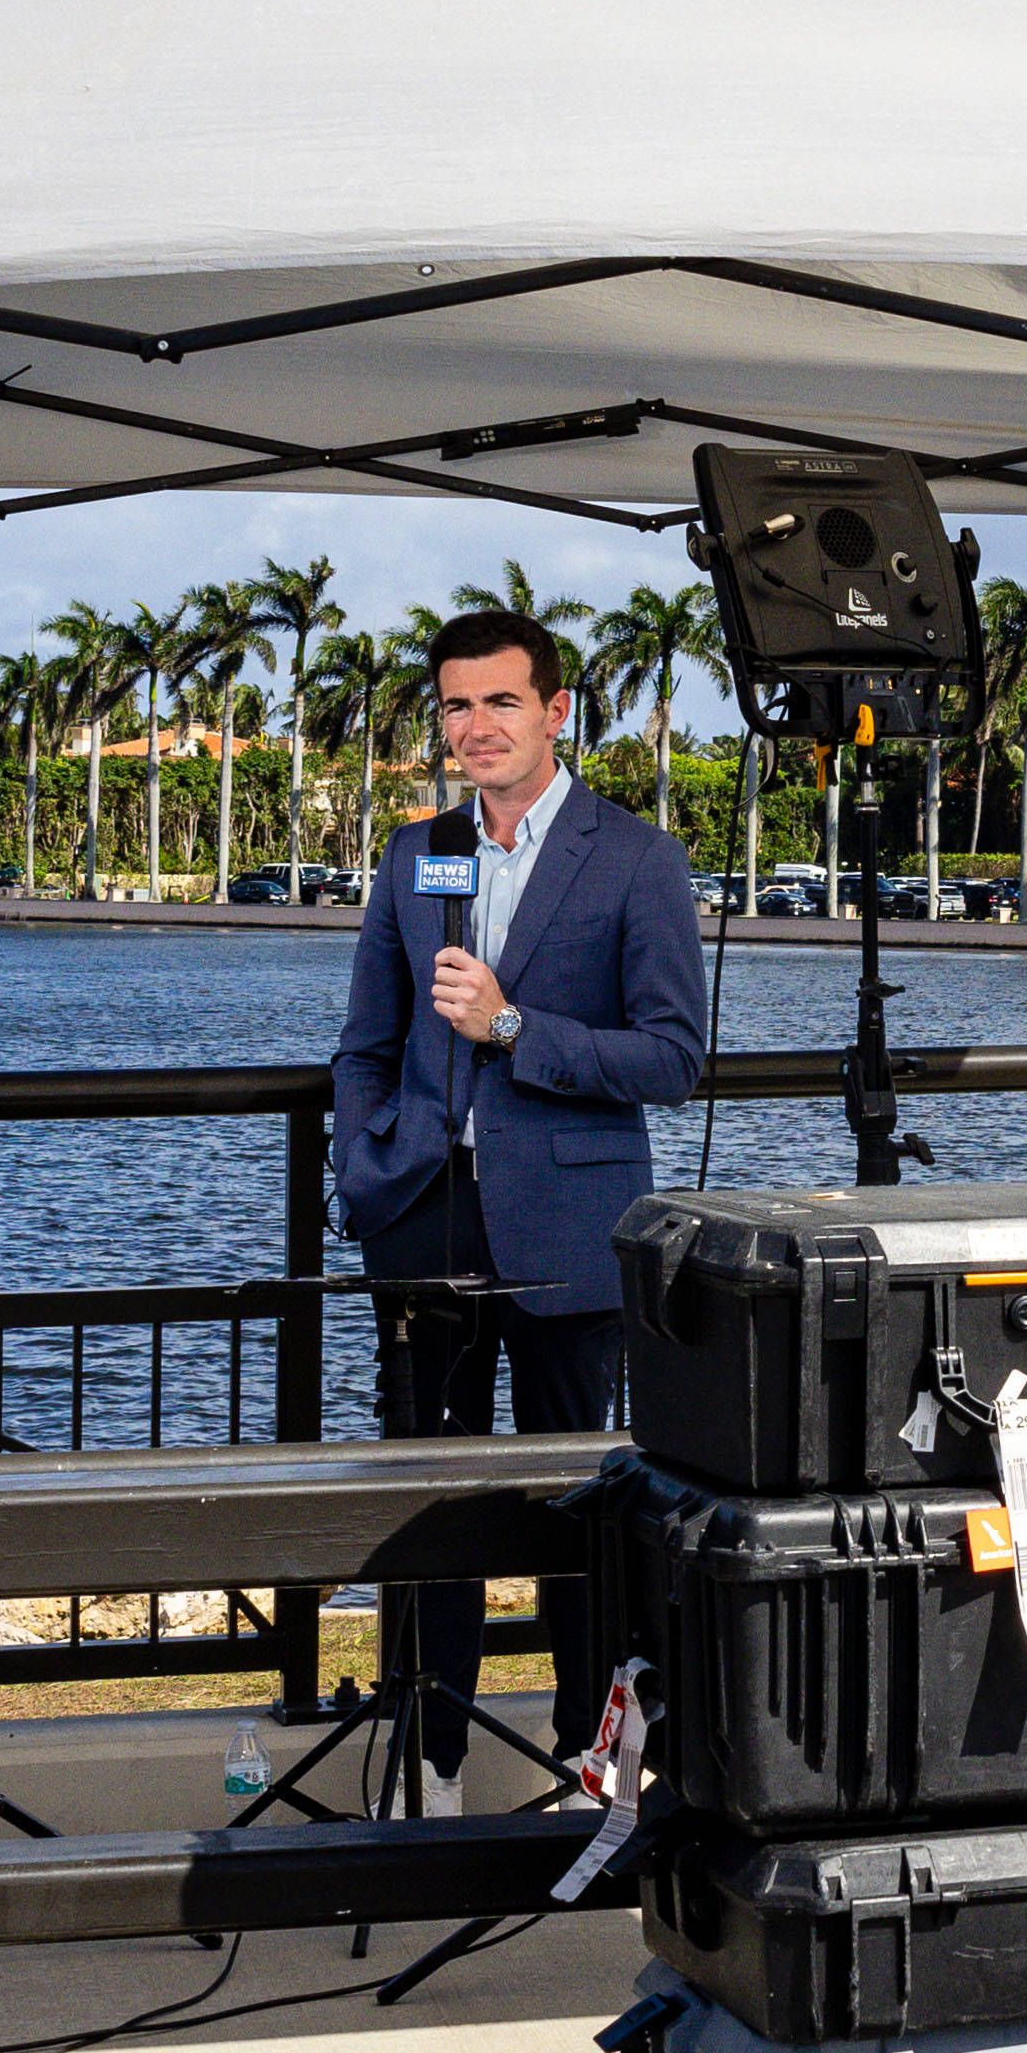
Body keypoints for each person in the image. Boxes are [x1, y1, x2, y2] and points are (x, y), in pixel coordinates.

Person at [329, 609, 711, 1786]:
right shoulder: (417, 851)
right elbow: (363, 1044)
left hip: (569, 1231)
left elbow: (672, 1057)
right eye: (455, 703)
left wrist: (511, 1027)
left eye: (501, 701)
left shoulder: (634, 855)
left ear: (555, 710)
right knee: (428, 1509)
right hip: (422, 1218)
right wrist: (368, 1169)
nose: (475, 725)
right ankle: (431, 1755)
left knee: (576, 1514)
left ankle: (581, 1762)